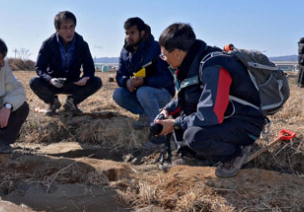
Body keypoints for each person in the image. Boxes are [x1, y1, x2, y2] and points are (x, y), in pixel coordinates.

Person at [152, 23, 265, 178]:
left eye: (164, 55)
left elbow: (210, 115)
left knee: (195, 136)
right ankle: (192, 156)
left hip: (245, 123)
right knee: (186, 113)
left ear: (177, 53)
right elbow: (187, 95)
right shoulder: (194, 62)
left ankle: (234, 154)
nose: (164, 59)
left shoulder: (213, 67)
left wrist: (175, 123)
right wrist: (167, 111)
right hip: (228, 117)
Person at [29, 11, 102, 116]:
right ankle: (52, 102)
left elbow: (89, 67)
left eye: (71, 27)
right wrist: (50, 79)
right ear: (57, 29)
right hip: (54, 83)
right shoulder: (48, 44)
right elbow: (40, 68)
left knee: (96, 81)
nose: (69, 31)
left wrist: (85, 77)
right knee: (34, 81)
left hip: (73, 82)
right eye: (65, 28)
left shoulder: (82, 45)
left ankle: (71, 102)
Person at [113, 17, 174, 129]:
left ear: (142, 33)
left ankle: (159, 128)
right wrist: (127, 82)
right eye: (126, 33)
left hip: (164, 93)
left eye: (132, 33)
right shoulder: (125, 52)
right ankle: (145, 116)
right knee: (118, 94)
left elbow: (168, 78)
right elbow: (120, 74)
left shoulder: (156, 48)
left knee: (143, 91)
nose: (128, 37)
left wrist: (145, 81)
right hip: (139, 91)